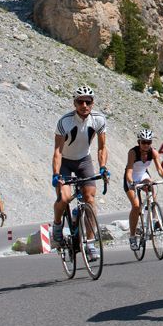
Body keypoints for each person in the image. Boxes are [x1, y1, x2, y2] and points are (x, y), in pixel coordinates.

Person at [50, 85, 109, 261]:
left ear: (92, 103)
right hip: (65, 162)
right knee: (65, 197)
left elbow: (102, 147)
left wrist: (103, 167)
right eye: (80, 101)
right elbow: (57, 151)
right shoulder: (65, 121)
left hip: (84, 160)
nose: (84, 105)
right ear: (74, 103)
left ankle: (90, 243)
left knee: (90, 199)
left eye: (88, 102)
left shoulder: (98, 119)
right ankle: (57, 224)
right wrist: (56, 174)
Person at [124, 129, 163, 250]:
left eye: (148, 142)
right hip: (131, 178)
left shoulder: (153, 152)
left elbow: (159, 169)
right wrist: (131, 183)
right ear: (139, 142)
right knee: (135, 206)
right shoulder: (133, 153)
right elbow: (129, 171)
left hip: (143, 175)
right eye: (143, 142)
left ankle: (154, 219)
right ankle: (133, 236)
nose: (146, 145)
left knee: (151, 186)